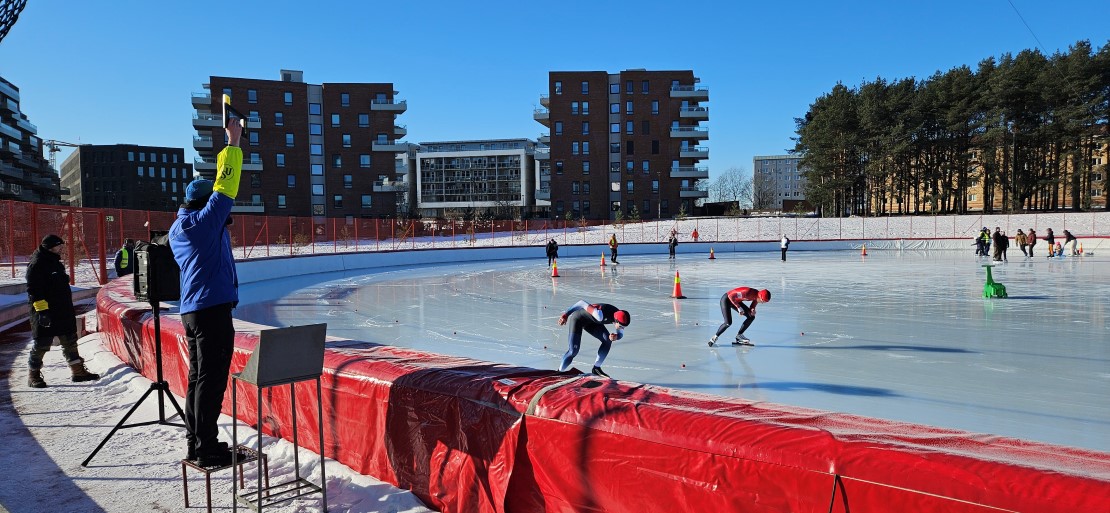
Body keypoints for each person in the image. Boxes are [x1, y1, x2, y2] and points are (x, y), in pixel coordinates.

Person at [169, 117, 244, 467]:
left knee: (197, 379)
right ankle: (208, 446)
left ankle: (196, 442)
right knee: (211, 383)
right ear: (204, 204)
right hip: (212, 311)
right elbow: (225, 186)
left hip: (192, 311)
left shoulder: (178, 227)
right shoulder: (203, 222)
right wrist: (234, 141)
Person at [25, 234, 101, 388]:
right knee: (42, 343)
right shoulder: (37, 264)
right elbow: (34, 291)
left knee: (69, 340)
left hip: (62, 310)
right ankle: (33, 375)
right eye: (58, 246)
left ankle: (78, 372)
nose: (61, 249)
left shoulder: (55, 261)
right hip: (46, 311)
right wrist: (42, 312)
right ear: (49, 247)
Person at [557, 300, 630, 377]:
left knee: (607, 340)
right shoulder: (599, 315)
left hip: (592, 322)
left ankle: (596, 368)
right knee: (573, 351)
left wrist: (616, 337)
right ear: (616, 321)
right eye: (622, 326)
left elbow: (620, 334)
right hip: (578, 319)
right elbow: (581, 303)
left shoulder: (619, 315)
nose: (622, 328)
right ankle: (559, 371)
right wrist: (566, 315)